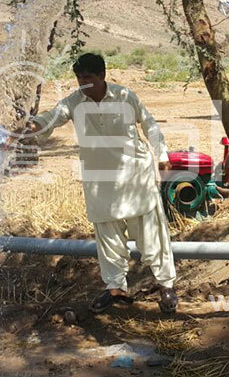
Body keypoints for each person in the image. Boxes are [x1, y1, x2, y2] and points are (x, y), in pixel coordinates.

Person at [24, 52, 178, 313]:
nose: (83, 82)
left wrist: (162, 155)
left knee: (152, 236)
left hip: (135, 177)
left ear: (102, 76)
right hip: (100, 182)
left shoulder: (124, 96)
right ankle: (115, 287)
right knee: (107, 237)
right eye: (79, 78)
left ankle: (166, 286)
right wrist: (32, 126)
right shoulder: (75, 101)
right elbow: (53, 116)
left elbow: (150, 124)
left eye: (88, 77)